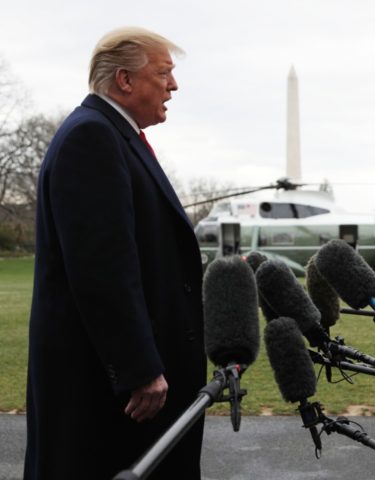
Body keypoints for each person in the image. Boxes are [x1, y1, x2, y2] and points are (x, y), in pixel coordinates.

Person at [24, 27, 206, 479]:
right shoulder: (93, 138)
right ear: (125, 80)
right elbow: (101, 268)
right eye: (164, 73)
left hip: (116, 387)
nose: (174, 85)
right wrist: (138, 368)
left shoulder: (110, 135)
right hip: (108, 394)